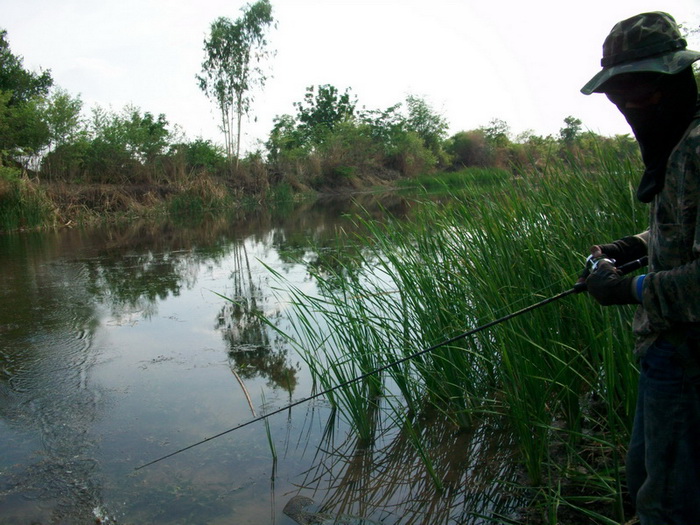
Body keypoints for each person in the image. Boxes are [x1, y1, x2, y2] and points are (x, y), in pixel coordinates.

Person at [580, 11, 700, 525]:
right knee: (646, 482)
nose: (630, 107)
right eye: (618, 96)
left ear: (677, 77)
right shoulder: (677, 141)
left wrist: (630, 288)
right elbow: (680, 231)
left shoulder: (696, 147)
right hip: (665, 356)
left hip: (688, 359)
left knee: (669, 507)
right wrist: (630, 245)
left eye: (642, 93)